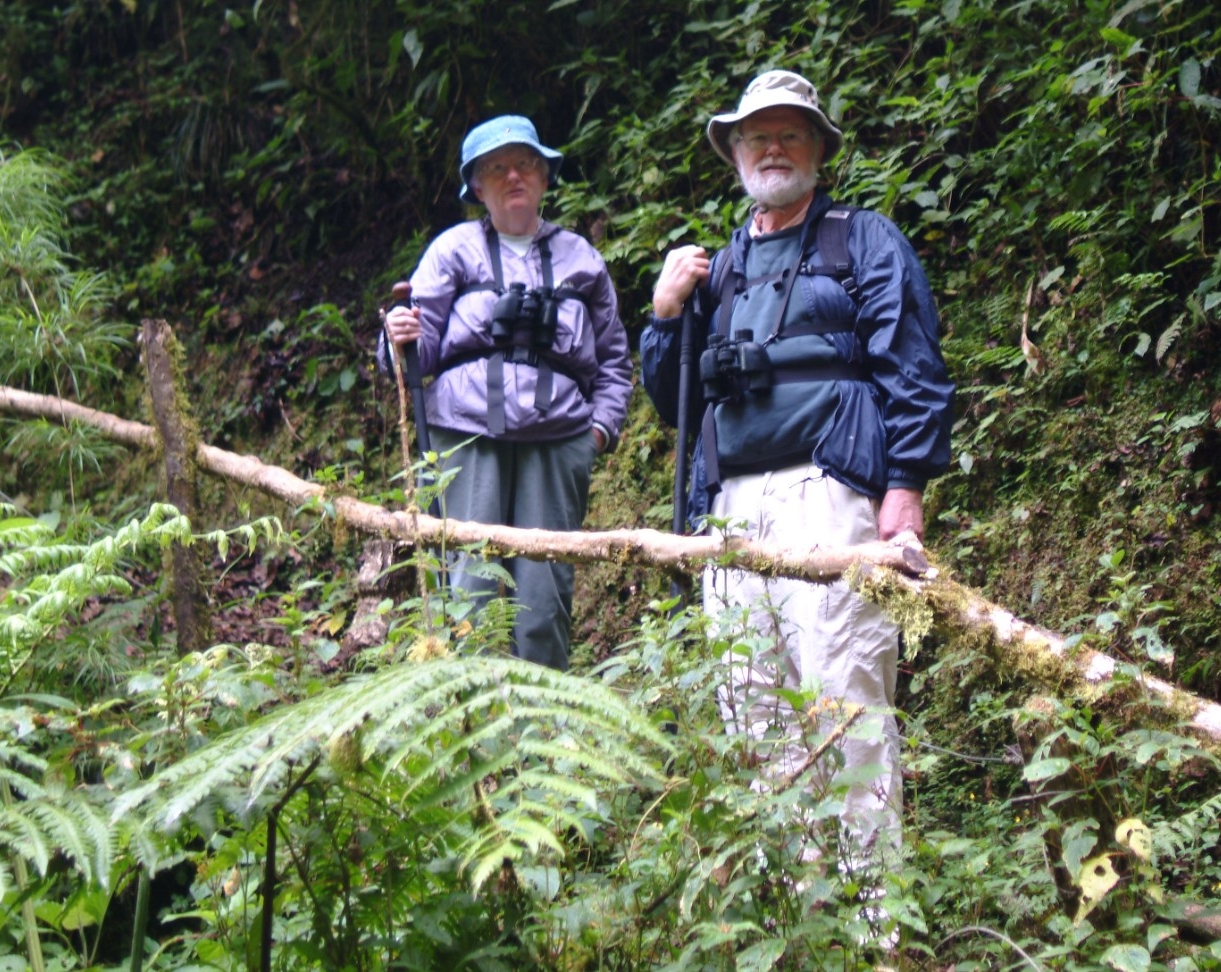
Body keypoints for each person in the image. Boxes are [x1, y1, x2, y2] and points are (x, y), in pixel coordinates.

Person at [640, 71, 954, 853]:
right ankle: (801, 929)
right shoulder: (719, 268)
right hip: (731, 511)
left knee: (846, 701)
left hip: (832, 492)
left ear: (817, 148)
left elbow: (911, 364)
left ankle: (876, 927)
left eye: (789, 133)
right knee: (755, 712)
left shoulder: (863, 239)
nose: (772, 148)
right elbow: (673, 402)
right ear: (735, 154)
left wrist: (905, 491)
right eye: (756, 136)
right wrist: (664, 310)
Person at [382, 115, 633, 672]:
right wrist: (395, 336)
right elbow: (409, 359)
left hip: (559, 440)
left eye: (526, 164)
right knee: (468, 588)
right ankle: (470, 728)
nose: (514, 176)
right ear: (476, 187)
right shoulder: (452, 251)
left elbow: (615, 361)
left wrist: (596, 433)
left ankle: (542, 735)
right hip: (465, 440)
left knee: (543, 600)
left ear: (545, 178)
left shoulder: (580, 258)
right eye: (497, 168)